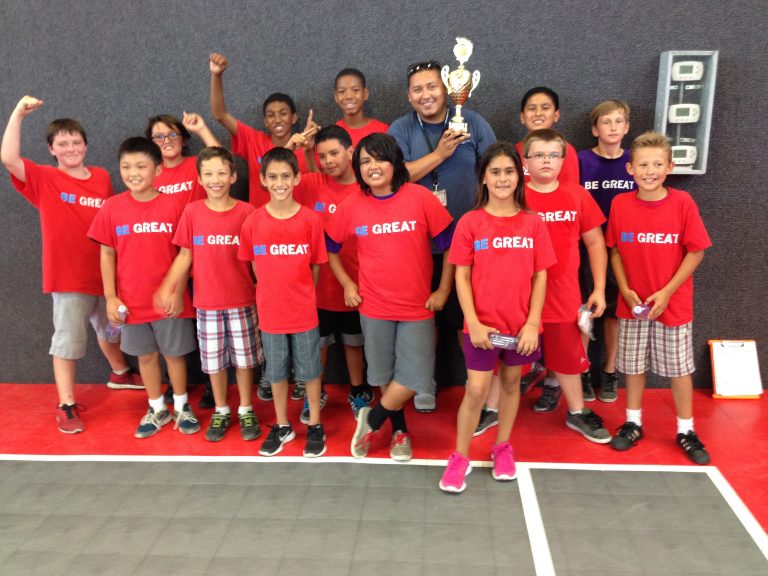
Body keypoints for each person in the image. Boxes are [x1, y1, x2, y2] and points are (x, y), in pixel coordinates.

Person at [1, 96, 142, 434]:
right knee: (68, 341)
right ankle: (65, 404)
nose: (70, 148)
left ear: (86, 145)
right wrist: (19, 113)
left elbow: (109, 224)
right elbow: (8, 158)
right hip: (68, 278)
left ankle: (120, 373)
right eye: (62, 143)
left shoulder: (102, 177)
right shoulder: (43, 178)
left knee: (110, 329)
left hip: (105, 276)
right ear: (51, 149)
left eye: (75, 142)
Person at [325, 133, 453, 462]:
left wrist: (443, 290)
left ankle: (374, 418)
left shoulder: (420, 198)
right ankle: (398, 432)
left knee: (417, 376)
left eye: (379, 159)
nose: (372, 166)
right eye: (365, 161)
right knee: (383, 375)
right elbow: (330, 248)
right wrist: (347, 285)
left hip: (417, 307)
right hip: (374, 307)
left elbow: (452, 246)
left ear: (394, 163)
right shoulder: (353, 204)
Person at [439, 143, 555, 493]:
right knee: (475, 390)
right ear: (484, 178)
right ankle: (460, 457)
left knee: (509, 385)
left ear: (519, 176)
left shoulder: (533, 224)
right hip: (481, 328)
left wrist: (533, 323)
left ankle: (502, 447)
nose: (502, 178)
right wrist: (472, 322)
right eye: (495, 172)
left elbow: (541, 276)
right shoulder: (470, 223)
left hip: (521, 328)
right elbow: (460, 276)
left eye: (508, 171)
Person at [388, 60, 495, 412]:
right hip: (417, 243)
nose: (425, 95)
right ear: (408, 95)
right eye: (417, 89)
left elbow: (493, 170)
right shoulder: (402, 128)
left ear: (446, 89)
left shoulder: (472, 122)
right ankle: (423, 380)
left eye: (432, 86)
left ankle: (477, 385)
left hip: (469, 241)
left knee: (468, 316)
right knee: (423, 315)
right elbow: (396, 176)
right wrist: (439, 154)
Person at [607, 131, 712, 464]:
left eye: (656, 164)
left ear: (670, 166)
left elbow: (696, 252)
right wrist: (624, 288)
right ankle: (633, 423)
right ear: (630, 169)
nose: (649, 171)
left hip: (672, 304)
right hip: (632, 305)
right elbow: (615, 252)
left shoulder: (683, 203)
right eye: (642, 164)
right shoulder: (620, 204)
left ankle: (685, 429)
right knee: (633, 367)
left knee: (679, 369)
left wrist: (667, 292)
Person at [88, 137, 199, 438]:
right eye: (126, 166)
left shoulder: (176, 206)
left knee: (175, 355)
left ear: (158, 170)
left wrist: (177, 292)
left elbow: (186, 254)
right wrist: (111, 297)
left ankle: (181, 406)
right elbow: (107, 254)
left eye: (141, 166)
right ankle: (156, 408)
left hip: (170, 303)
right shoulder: (112, 208)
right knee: (146, 356)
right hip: (131, 302)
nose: (133, 172)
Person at [155, 147, 262, 442]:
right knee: (214, 363)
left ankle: (245, 409)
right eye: (208, 174)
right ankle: (221, 409)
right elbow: (184, 255)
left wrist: (266, 289)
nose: (215, 179)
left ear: (233, 176)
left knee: (243, 361)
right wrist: (169, 286)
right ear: (200, 180)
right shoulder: (192, 212)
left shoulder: (247, 212)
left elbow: (256, 259)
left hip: (243, 300)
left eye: (221, 172)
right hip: (207, 304)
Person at [522, 129, 611, 444]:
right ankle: (491, 409)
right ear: (526, 161)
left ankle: (577, 412)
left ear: (563, 160)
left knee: (568, 360)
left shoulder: (577, 195)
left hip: (563, 294)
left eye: (554, 155)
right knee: (504, 361)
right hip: (519, 296)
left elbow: (596, 242)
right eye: (539, 155)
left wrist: (598, 289)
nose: (547, 161)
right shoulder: (515, 195)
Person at [238, 148, 328, 458]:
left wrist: (302, 294)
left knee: (311, 371)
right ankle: (282, 425)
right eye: (273, 177)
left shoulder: (310, 220)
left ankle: (315, 424)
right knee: (276, 373)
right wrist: (272, 293)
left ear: (297, 177)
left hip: (303, 312)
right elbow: (253, 267)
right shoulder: (252, 222)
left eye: (286, 176)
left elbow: (316, 265)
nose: (280, 183)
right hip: (271, 314)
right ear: (262, 180)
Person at [294, 126, 372, 422]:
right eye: (322, 155)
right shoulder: (313, 183)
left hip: (356, 283)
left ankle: (358, 389)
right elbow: (272, 181)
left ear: (350, 152)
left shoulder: (366, 187)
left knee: (354, 343)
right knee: (319, 345)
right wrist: (295, 148)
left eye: (334, 153)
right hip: (317, 285)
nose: (328, 160)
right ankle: (317, 392)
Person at [578, 100, 635, 403]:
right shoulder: (580, 161)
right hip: (585, 248)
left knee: (614, 313)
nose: (612, 127)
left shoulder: (635, 162)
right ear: (594, 128)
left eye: (618, 121)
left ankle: (610, 370)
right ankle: (583, 370)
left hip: (621, 250)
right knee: (586, 310)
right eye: (605, 122)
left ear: (626, 127)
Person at [209, 52, 319, 208]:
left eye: (283, 113)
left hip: (296, 224)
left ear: (294, 118)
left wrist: (309, 150)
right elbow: (220, 114)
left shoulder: (308, 148)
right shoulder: (254, 140)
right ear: (265, 122)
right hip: (261, 225)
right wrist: (216, 75)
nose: (277, 119)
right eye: (271, 115)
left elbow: (319, 187)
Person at [145, 112, 220, 207]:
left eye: (173, 134)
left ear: (183, 140)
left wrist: (201, 129)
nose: (167, 141)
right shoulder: (149, 175)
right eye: (159, 137)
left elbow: (222, 161)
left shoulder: (199, 165)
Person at [516, 86, 580, 185]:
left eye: (545, 108)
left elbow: (570, 191)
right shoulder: (513, 152)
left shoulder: (566, 150)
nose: (538, 113)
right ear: (522, 117)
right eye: (532, 108)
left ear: (556, 115)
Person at [334, 68, 389, 147]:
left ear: (365, 93)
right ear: (336, 96)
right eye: (342, 91)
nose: (349, 96)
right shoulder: (331, 134)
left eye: (355, 90)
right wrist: (309, 151)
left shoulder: (384, 131)